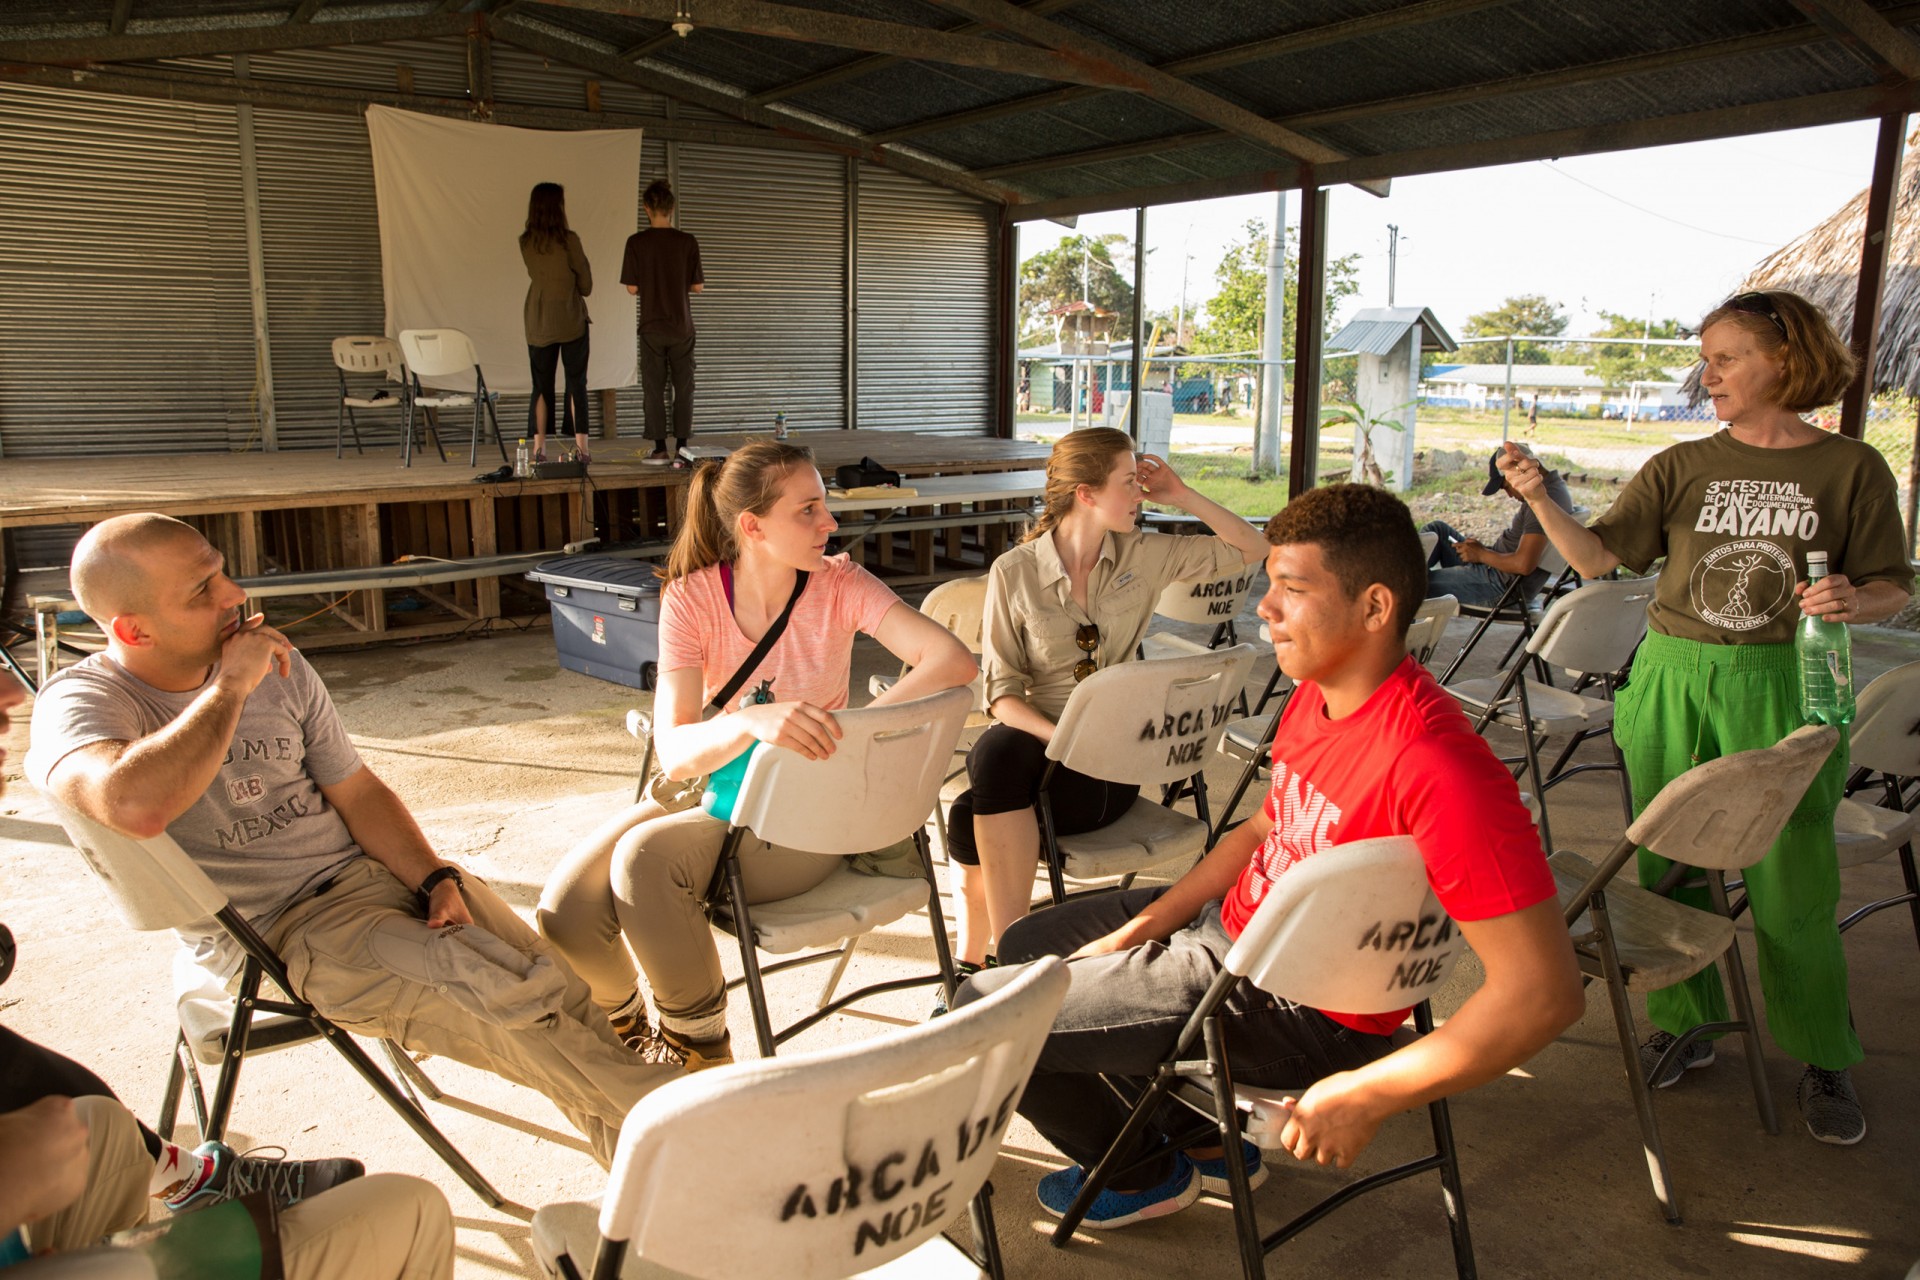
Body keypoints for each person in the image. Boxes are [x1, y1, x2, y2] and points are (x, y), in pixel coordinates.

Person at [954, 483, 1584, 1228]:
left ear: (1375, 608)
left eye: (1291, 588)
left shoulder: (1439, 765)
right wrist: (1149, 921)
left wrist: (1373, 1091)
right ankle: (1209, 1138)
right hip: (1234, 933)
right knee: (1025, 941)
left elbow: (1545, 994)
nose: (1264, 607)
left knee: (981, 1016)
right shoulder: (1321, 694)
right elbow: (1260, 831)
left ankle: (1142, 1171)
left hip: (1296, 1005)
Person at [27, 515, 679, 1169]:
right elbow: (130, 805)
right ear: (131, 630)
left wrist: (431, 877)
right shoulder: (85, 701)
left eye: (222, 571)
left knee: (566, 996)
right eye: (201, 591)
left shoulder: (279, 665)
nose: (233, 595)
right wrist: (230, 686)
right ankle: (718, 1129)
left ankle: (662, 1206)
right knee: (516, 1007)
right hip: (286, 933)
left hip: (378, 880)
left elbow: (358, 791)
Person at [1502, 288, 1913, 1147]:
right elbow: (1598, 558)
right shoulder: (1681, 464)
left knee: (1794, 875)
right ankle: (1687, 1024)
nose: (1709, 374)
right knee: (1670, 857)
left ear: (1786, 360)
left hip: (1790, 679)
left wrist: (1855, 597)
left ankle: (1820, 1052)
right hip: (1675, 674)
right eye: (1707, 357)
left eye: (1726, 357)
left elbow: (1891, 588)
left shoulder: (1851, 469)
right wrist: (1541, 498)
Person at [537, 440, 976, 1070]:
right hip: (723, 789)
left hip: (813, 809)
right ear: (752, 526)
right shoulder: (691, 600)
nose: (829, 523)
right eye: (808, 510)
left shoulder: (841, 583)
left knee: (645, 863)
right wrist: (752, 720)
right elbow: (678, 751)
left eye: (824, 506)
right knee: (567, 911)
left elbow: (952, 661)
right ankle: (628, 1036)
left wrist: (855, 731)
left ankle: (700, 1058)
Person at [0, 678, 455, 1279]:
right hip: (271, 941)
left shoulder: (286, 676)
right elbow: (133, 801)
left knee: (96, 1124)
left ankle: (194, 1181)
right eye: (202, 586)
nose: (11, 687)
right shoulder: (99, 702)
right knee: (409, 1207)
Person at [945, 427, 1268, 977]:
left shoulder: (1147, 555)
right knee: (985, 778)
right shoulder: (1014, 572)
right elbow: (1001, 693)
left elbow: (1252, 549)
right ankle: (997, 963)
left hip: (1111, 768)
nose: (1141, 495)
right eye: (1129, 483)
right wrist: (1062, 739)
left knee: (979, 793)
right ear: (1086, 494)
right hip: (1041, 761)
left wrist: (1182, 494)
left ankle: (1001, 966)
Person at [1420, 444, 1573, 607]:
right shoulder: (1554, 486)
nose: (1509, 495)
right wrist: (1483, 552)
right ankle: (1405, 577)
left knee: (1411, 586)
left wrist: (1481, 555)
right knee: (1437, 531)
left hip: (1500, 585)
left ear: (1518, 470)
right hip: (1496, 569)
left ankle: (1404, 590)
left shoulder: (1544, 502)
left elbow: (1524, 564)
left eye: (1506, 486)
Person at [621, 179, 703, 468]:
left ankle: (659, 449)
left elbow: (631, 288)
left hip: (651, 326)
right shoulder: (687, 241)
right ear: (672, 208)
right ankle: (682, 448)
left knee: (654, 388)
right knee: (684, 387)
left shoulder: (636, 242)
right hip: (681, 325)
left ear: (646, 208)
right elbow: (697, 287)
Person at [520, 181, 594, 465]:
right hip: (570, 317)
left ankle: (539, 450)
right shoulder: (569, 240)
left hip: (537, 318)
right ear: (558, 207)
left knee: (540, 384)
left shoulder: (526, 242)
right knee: (576, 382)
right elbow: (586, 284)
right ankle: (582, 450)